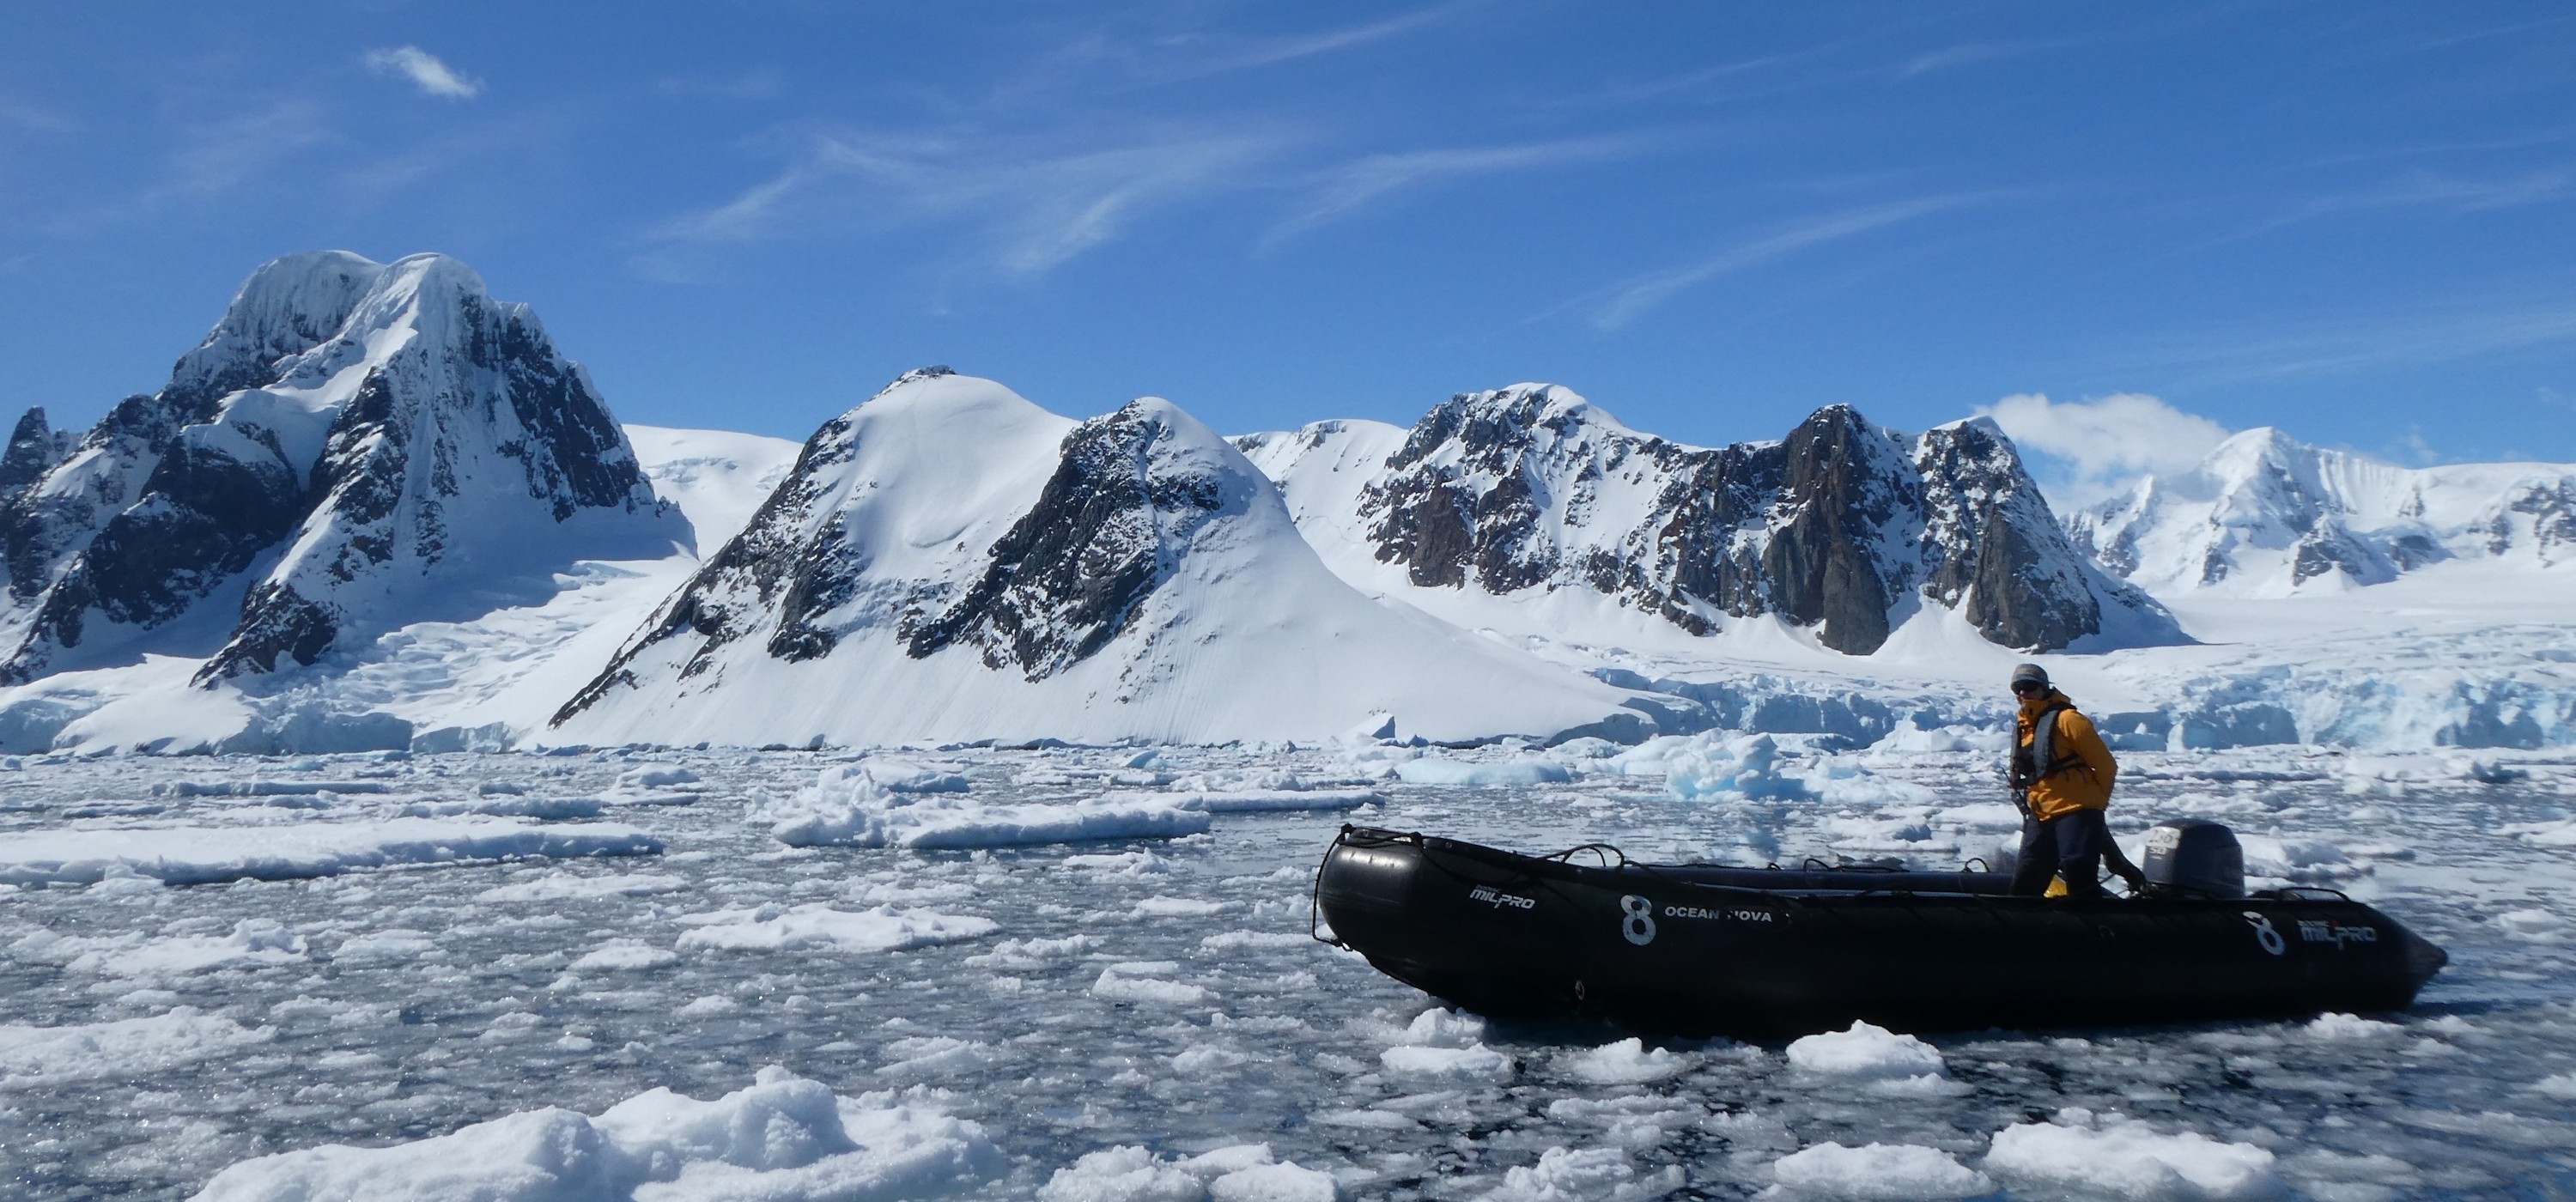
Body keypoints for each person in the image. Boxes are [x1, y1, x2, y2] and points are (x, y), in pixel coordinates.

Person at [2004, 663, 2139, 898]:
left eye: (2029, 686)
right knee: (2026, 880)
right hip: (2042, 813)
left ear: (2044, 688)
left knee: (2079, 876)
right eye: (2018, 688)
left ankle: (2094, 926)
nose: (2023, 693)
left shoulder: (2069, 720)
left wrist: (2095, 804)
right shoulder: (2025, 727)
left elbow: (2106, 765)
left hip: (2076, 811)